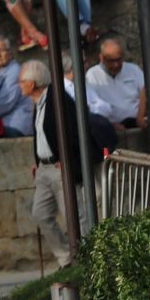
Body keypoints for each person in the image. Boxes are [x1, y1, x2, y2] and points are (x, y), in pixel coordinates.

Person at [21, 59, 98, 269]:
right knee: (40, 213)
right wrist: (38, 160)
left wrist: (68, 161)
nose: (20, 85)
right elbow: (41, 135)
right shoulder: (38, 103)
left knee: (75, 214)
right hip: (45, 168)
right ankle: (66, 257)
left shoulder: (58, 101)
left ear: (33, 83)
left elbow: (73, 132)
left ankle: (88, 257)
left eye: (22, 81)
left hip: (59, 167)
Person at [84, 36, 147, 132]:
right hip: (109, 127)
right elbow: (92, 107)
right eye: (111, 61)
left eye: (118, 60)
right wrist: (109, 124)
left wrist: (140, 116)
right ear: (101, 58)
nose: (116, 65)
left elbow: (145, 90)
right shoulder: (92, 75)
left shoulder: (133, 70)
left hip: (135, 123)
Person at [0, 37, 33, 136]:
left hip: (15, 125)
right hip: (2, 123)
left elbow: (4, 104)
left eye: (1, 51)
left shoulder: (14, 71)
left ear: (10, 53)